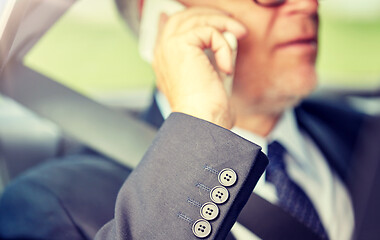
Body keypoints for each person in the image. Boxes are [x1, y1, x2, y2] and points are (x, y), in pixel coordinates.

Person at [0, 0, 369, 239]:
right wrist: (200, 120)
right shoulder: (47, 204)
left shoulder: (363, 135)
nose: (307, 5)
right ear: (165, 16)